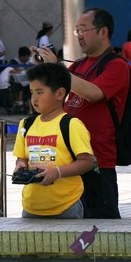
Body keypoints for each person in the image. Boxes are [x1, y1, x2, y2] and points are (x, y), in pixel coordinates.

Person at [33, 7, 130, 219]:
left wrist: (58, 69)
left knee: (100, 226)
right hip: (69, 162)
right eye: (77, 31)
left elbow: (94, 93)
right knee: (70, 224)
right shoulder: (78, 65)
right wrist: (45, 69)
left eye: (83, 30)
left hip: (97, 161)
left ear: (103, 32)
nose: (79, 36)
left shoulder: (116, 65)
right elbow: (54, 98)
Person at [12, 63, 94, 218]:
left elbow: (87, 162)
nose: (34, 98)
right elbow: (22, 157)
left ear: (60, 94)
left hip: (66, 206)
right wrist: (20, 165)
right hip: (31, 206)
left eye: (40, 92)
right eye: (32, 92)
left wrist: (58, 172)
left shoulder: (71, 124)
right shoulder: (26, 124)